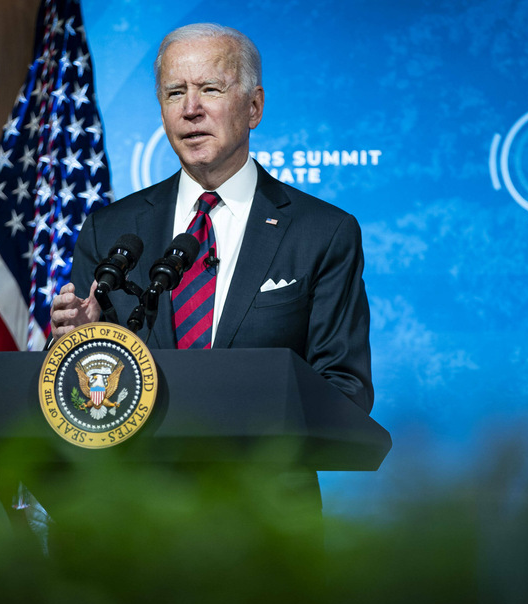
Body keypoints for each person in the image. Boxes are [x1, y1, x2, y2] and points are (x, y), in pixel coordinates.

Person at [51, 23, 373, 417]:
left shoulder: (322, 232)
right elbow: (83, 400)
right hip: (139, 477)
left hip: (262, 474)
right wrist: (78, 346)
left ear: (254, 107)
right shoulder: (110, 229)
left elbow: (344, 387)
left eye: (210, 89)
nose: (190, 109)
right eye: (175, 93)